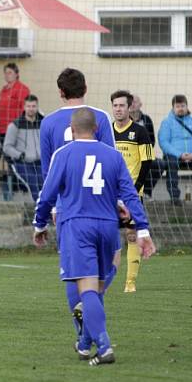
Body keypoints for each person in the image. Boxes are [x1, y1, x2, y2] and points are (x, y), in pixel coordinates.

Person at [33, 108, 156, 365]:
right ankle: (84, 342)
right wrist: (142, 229)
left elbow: (47, 194)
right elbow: (130, 195)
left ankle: (104, 344)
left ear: (72, 130)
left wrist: (39, 224)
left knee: (86, 287)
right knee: (97, 289)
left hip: (78, 226)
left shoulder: (64, 154)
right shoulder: (113, 156)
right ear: (98, 129)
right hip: (108, 227)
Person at [39, 68, 115, 344]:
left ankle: (83, 332)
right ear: (85, 87)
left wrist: (49, 211)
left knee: (75, 271)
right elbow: (111, 163)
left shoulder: (48, 123)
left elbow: (48, 172)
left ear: (60, 92)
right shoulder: (101, 117)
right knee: (111, 261)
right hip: (101, 205)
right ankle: (90, 326)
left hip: (66, 208)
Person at [111, 90, 154, 293]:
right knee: (104, 235)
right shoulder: (106, 132)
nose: (118, 109)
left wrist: (134, 190)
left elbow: (147, 162)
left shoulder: (140, 132)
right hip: (108, 195)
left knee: (131, 235)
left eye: (122, 105)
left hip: (131, 194)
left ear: (129, 108)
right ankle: (104, 279)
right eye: (115, 105)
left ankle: (130, 282)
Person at [158, 94, 192, 204]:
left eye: (183, 106)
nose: (180, 109)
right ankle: (175, 197)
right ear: (173, 108)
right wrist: (180, 154)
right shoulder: (167, 122)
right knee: (170, 162)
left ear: (187, 106)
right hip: (175, 157)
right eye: (177, 106)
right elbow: (164, 142)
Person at [3, 94, 44, 201]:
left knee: (45, 184)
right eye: (28, 106)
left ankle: (47, 213)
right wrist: (20, 155)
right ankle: (39, 212)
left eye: (33, 106)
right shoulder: (15, 125)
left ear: (37, 107)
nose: (31, 109)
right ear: (24, 107)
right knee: (33, 184)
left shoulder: (44, 123)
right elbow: (7, 147)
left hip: (40, 162)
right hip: (22, 163)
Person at [0, 62, 30, 148]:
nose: (7, 75)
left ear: (16, 74)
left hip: (15, 129)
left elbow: (24, 110)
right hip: (2, 129)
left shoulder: (22, 89)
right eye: (5, 73)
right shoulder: (3, 90)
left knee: (13, 155)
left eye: (10, 72)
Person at [130, 95, 161, 197]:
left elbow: (152, 140)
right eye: (131, 101)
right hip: (128, 154)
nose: (133, 104)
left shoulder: (147, 119)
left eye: (135, 102)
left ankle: (147, 192)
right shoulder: (123, 120)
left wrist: (144, 152)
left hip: (144, 153)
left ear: (140, 104)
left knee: (160, 164)